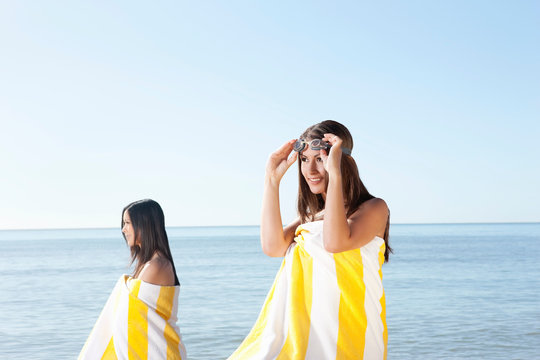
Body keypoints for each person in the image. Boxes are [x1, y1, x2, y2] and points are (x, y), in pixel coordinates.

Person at [229, 120, 391, 360]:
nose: (311, 170)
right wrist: (271, 179)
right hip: (306, 340)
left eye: (320, 159)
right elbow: (272, 247)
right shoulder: (310, 219)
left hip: (351, 339)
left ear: (342, 161)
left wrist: (334, 173)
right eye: (305, 160)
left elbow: (335, 243)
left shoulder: (374, 208)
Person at [79, 199, 187, 360]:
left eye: (127, 223)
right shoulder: (149, 265)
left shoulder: (156, 267)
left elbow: (131, 316)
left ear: (145, 225)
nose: (123, 229)